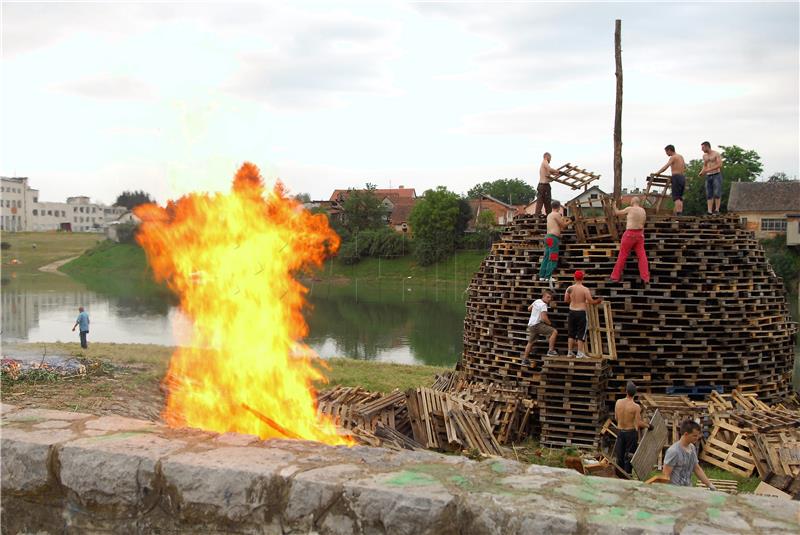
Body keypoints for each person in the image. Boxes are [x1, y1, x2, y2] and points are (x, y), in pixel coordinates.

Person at [663, 420, 717, 491]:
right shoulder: (673, 451)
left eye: (698, 435)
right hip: (675, 491)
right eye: (694, 435)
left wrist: (710, 485)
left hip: (688, 489)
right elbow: (665, 475)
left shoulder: (692, 447)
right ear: (686, 434)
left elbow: (697, 468)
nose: (697, 438)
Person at [610, 197, 650, 284]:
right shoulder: (643, 211)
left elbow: (616, 213)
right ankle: (645, 277)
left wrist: (613, 205)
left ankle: (615, 276)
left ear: (632, 202)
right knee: (642, 256)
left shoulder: (630, 209)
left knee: (622, 255)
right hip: (640, 234)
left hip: (629, 234)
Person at [614, 381, 651, 475]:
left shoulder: (618, 402)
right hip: (630, 434)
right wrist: (648, 426)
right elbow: (638, 423)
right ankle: (628, 475)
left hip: (620, 432)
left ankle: (619, 476)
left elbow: (616, 418)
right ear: (635, 393)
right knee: (629, 456)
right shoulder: (636, 407)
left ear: (626, 391)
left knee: (620, 456)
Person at [563, 270, 603, 358]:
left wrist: (573, 301)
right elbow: (590, 301)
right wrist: (598, 301)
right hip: (581, 312)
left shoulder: (569, 288)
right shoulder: (585, 289)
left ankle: (569, 352)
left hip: (572, 311)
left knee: (571, 332)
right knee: (581, 332)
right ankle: (579, 353)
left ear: (574, 278)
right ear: (582, 278)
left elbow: (566, 300)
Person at [521, 289, 558, 366]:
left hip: (531, 325)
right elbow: (544, 317)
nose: (549, 299)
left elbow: (529, 309)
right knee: (554, 331)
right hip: (537, 325)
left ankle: (525, 359)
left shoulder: (537, 301)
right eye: (548, 297)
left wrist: (535, 312)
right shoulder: (543, 305)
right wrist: (550, 324)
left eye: (550, 298)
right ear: (543, 296)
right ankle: (551, 350)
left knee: (530, 342)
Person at [538, 201, 570, 286]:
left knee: (546, 257)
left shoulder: (549, 215)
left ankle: (542, 276)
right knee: (553, 257)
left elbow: (557, 224)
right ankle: (548, 276)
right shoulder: (557, 214)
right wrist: (571, 221)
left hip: (548, 237)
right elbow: (563, 225)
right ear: (559, 207)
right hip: (553, 238)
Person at [655, 145, 686, 216]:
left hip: (676, 177)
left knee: (676, 197)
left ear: (669, 150)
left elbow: (666, 166)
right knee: (680, 197)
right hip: (682, 177)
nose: (666, 154)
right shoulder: (681, 157)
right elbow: (684, 167)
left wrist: (658, 172)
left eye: (666, 152)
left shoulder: (673, 157)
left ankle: (678, 213)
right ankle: (680, 212)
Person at [699, 141, 723, 215]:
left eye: (703, 147)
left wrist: (708, 170)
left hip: (716, 174)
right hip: (708, 175)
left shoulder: (716, 154)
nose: (702, 149)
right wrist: (701, 172)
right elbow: (705, 165)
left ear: (707, 146)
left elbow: (720, 164)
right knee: (709, 193)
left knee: (717, 193)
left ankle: (717, 210)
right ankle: (709, 211)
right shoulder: (704, 156)